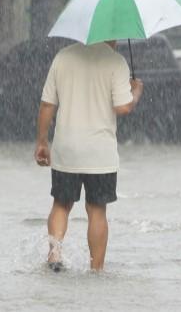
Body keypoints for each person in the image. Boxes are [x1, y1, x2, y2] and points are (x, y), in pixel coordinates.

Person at [34, 40, 143, 272]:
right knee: (96, 210)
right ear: (112, 36)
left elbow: (47, 104)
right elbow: (123, 107)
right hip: (99, 152)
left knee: (61, 204)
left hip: (67, 148)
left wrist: (42, 141)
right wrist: (136, 91)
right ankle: (96, 270)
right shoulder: (116, 62)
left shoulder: (63, 56)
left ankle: (54, 255)